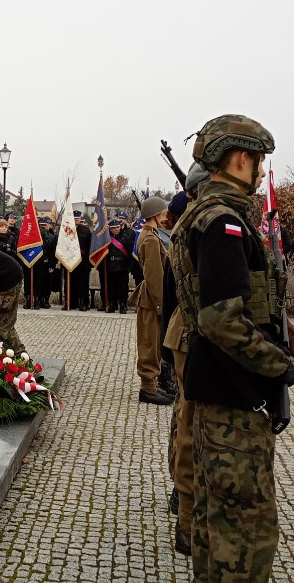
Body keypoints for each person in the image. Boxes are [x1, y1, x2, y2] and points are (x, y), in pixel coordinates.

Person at [170, 114, 294, 581]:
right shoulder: (224, 224)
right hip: (233, 393)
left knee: (216, 517)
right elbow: (221, 320)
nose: (260, 172)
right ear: (241, 159)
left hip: (221, 385)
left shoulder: (209, 217)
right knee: (245, 525)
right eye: (258, 161)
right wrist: (281, 366)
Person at [162, 162, 210, 556]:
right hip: (191, 332)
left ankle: (184, 493)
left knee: (185, 417)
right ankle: (186, 502)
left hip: (184, 331)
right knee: (189, 422)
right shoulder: (195, 230)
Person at [136, 196, 173, 405]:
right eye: (163, 213)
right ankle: (148, 387)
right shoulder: (150, 239)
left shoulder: (152, 235)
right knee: (149, 343)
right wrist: (161, 304)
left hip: (152, 298)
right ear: (156, 215)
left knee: (155, 341)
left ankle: (153, 384)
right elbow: (154, 275)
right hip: (151, 299)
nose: (165, 216)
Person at [103, 219, 132, 313]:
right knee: (111, 287)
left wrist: (128, 266)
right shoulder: (106, 239)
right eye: (113, 228)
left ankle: (123, 305)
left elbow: (129, 253)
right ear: (110, 229)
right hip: (110, 266)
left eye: (118, 227)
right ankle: (112, 305)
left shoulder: (125, 238)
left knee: (122, 287)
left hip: (122, 266)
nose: (116, 229)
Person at [37, 217, 58, 309]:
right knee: (39, 282)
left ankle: (46, 300)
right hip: (39, 262)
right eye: (41, 225)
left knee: (47, 283)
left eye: (45, 225)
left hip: (48, 262)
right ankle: (38, 300)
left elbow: (54, 252)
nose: (43, 227)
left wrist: (53, 265)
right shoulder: (37, 236)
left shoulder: (52, 237)